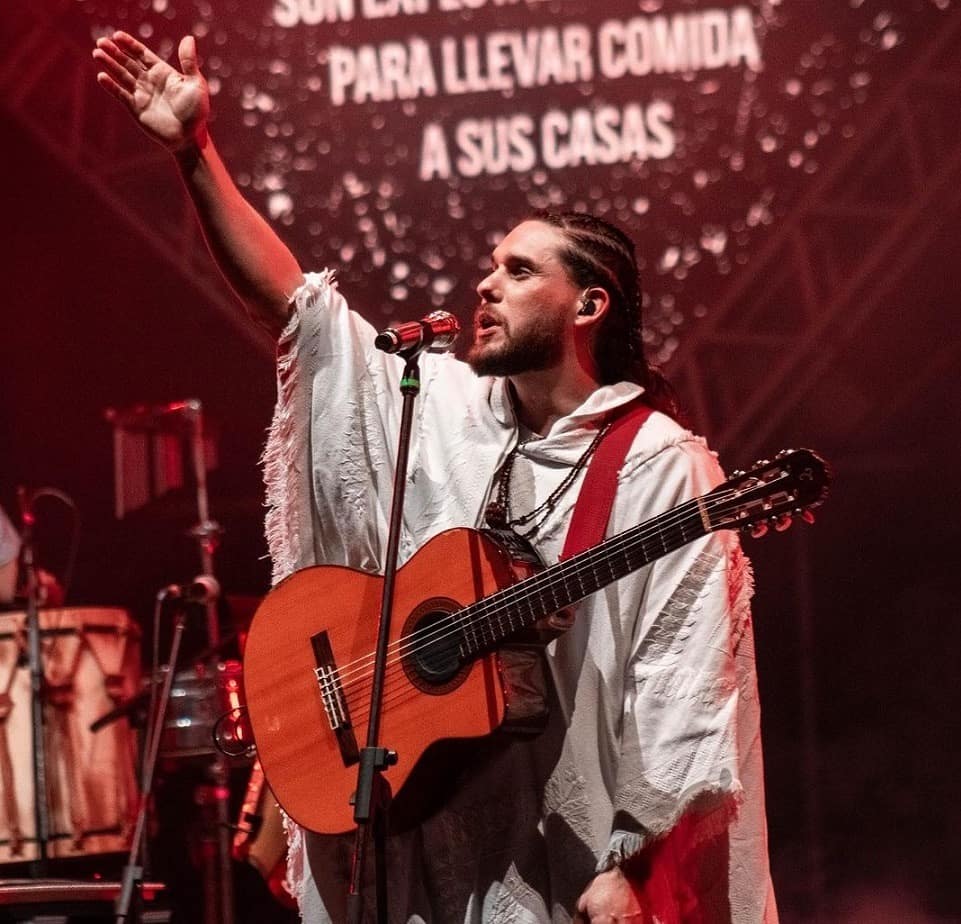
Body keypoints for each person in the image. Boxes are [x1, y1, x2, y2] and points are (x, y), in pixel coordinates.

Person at [93, 31, 778, 923]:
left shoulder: (658, 466)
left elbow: (687, 679)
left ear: (590, 304)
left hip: (571, 866)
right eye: (490, 265)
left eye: (518, 270)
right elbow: (298, 313)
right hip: (429, 852)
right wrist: (195, 155)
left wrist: (633, 859)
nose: (484, 285)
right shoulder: (441, 404)